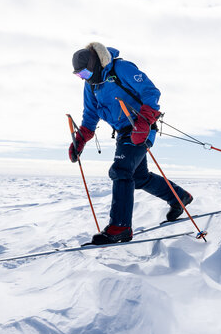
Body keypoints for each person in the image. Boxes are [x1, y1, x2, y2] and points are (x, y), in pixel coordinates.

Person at [68, 41, 193, 244]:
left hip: (141, 127)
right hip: (123, 133)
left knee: (121, 171)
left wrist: (144, 121)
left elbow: (150, 92)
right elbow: (90, 114)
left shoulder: (120, 69)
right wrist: (80, 140)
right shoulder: (90, 86)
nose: (84, 78)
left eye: (85, 73)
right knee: (139, 177)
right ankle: (180, 198)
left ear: (95, 64)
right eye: (79, 75)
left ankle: (120, 227)